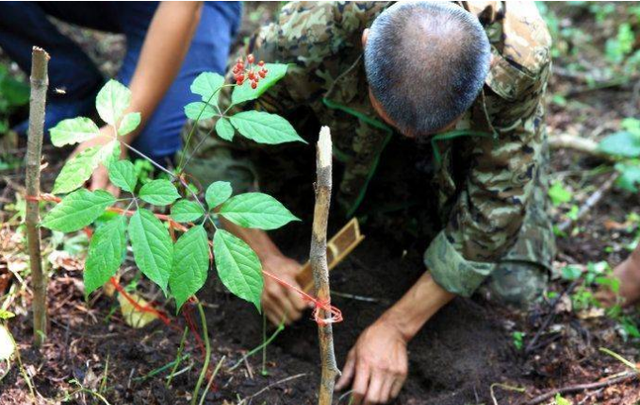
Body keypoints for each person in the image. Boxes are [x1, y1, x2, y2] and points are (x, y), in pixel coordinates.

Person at [183, 2, 555, 403]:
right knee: (288, 218)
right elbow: (211, 135)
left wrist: (397, 327)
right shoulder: (312, 29)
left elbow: (495, 207)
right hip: (335, 135)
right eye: (395, 120)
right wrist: (262, 258)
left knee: (512, 288)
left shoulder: (518, 56)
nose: (411, 136)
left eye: (429, 128)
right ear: (365, 43)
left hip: (458, 158)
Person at [0, 1, 241, 192]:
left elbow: (181, 6)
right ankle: (72, 85)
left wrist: (118, 132)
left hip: (179, 6)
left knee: (160, 144)